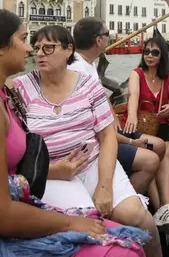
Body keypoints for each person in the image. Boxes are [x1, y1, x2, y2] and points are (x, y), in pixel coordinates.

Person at [0, 8, 150, 257]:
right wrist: (69, 223)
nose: (31, 49)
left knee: (122, 237)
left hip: (2, 217)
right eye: (24, 39)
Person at [11, 26, 169, 257]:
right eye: (37, 47)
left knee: (137, 216)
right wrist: (53, 170)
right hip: (52, 172)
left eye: (49, 48)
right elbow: (14, 145)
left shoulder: (87, 84)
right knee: (90, 226)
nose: (40, 53)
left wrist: (104, 186)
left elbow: (107, 137)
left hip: (94, 162)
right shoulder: (20, 88)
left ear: (68, 51)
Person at [69, 17, 161, 207]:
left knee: (159, 145)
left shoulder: (89, 65)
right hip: (97, 142)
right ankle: (121, 206)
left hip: (111, 131)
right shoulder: (79, 72)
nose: (109, 38)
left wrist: (111, 112)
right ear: (98, 40)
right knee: (151, 159)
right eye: (107, 34)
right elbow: (95, 129)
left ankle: (160, 207)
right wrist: (130, 141)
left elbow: (101, 98)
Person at [122, 37, 169, 248]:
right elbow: (133, 96)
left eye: (155, 52)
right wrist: (131, 115)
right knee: (154, 151)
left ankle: (166, 211)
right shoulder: (136, 74)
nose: (149, 55)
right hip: (137, 127)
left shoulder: (167, 77)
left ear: (162, 57)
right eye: (147, 51)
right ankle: (166, 211)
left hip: (160, 127)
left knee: (167, 148)